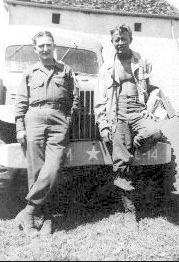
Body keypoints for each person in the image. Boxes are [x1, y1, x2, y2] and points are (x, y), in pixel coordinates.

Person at [94, 24, 164, 230]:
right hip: (117, 113)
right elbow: (99, 100)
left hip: (138, 109)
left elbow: (155, 89)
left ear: (130, 39)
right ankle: (129, 212)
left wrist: (149, 107)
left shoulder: (142, 62)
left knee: (155, 132)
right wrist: (104, 124)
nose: (120, 42)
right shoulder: (106, 68)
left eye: (123, 39)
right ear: (112, 42)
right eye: (116, 39)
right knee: (122, 165)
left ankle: (129, 146)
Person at [14, 31, 79, 236]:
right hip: (34, 118)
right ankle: (42, 217)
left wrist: (68, 120)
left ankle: (29, 211)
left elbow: (75, 98)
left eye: (48, 45)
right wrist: (19, 127)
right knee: (36, 170)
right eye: (40, 46)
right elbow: (21, 102)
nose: (44, 49)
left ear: (53, 46)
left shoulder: (65, 70)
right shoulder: (29, 72)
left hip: (59, 119)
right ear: (35, 49)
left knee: (53, 168)